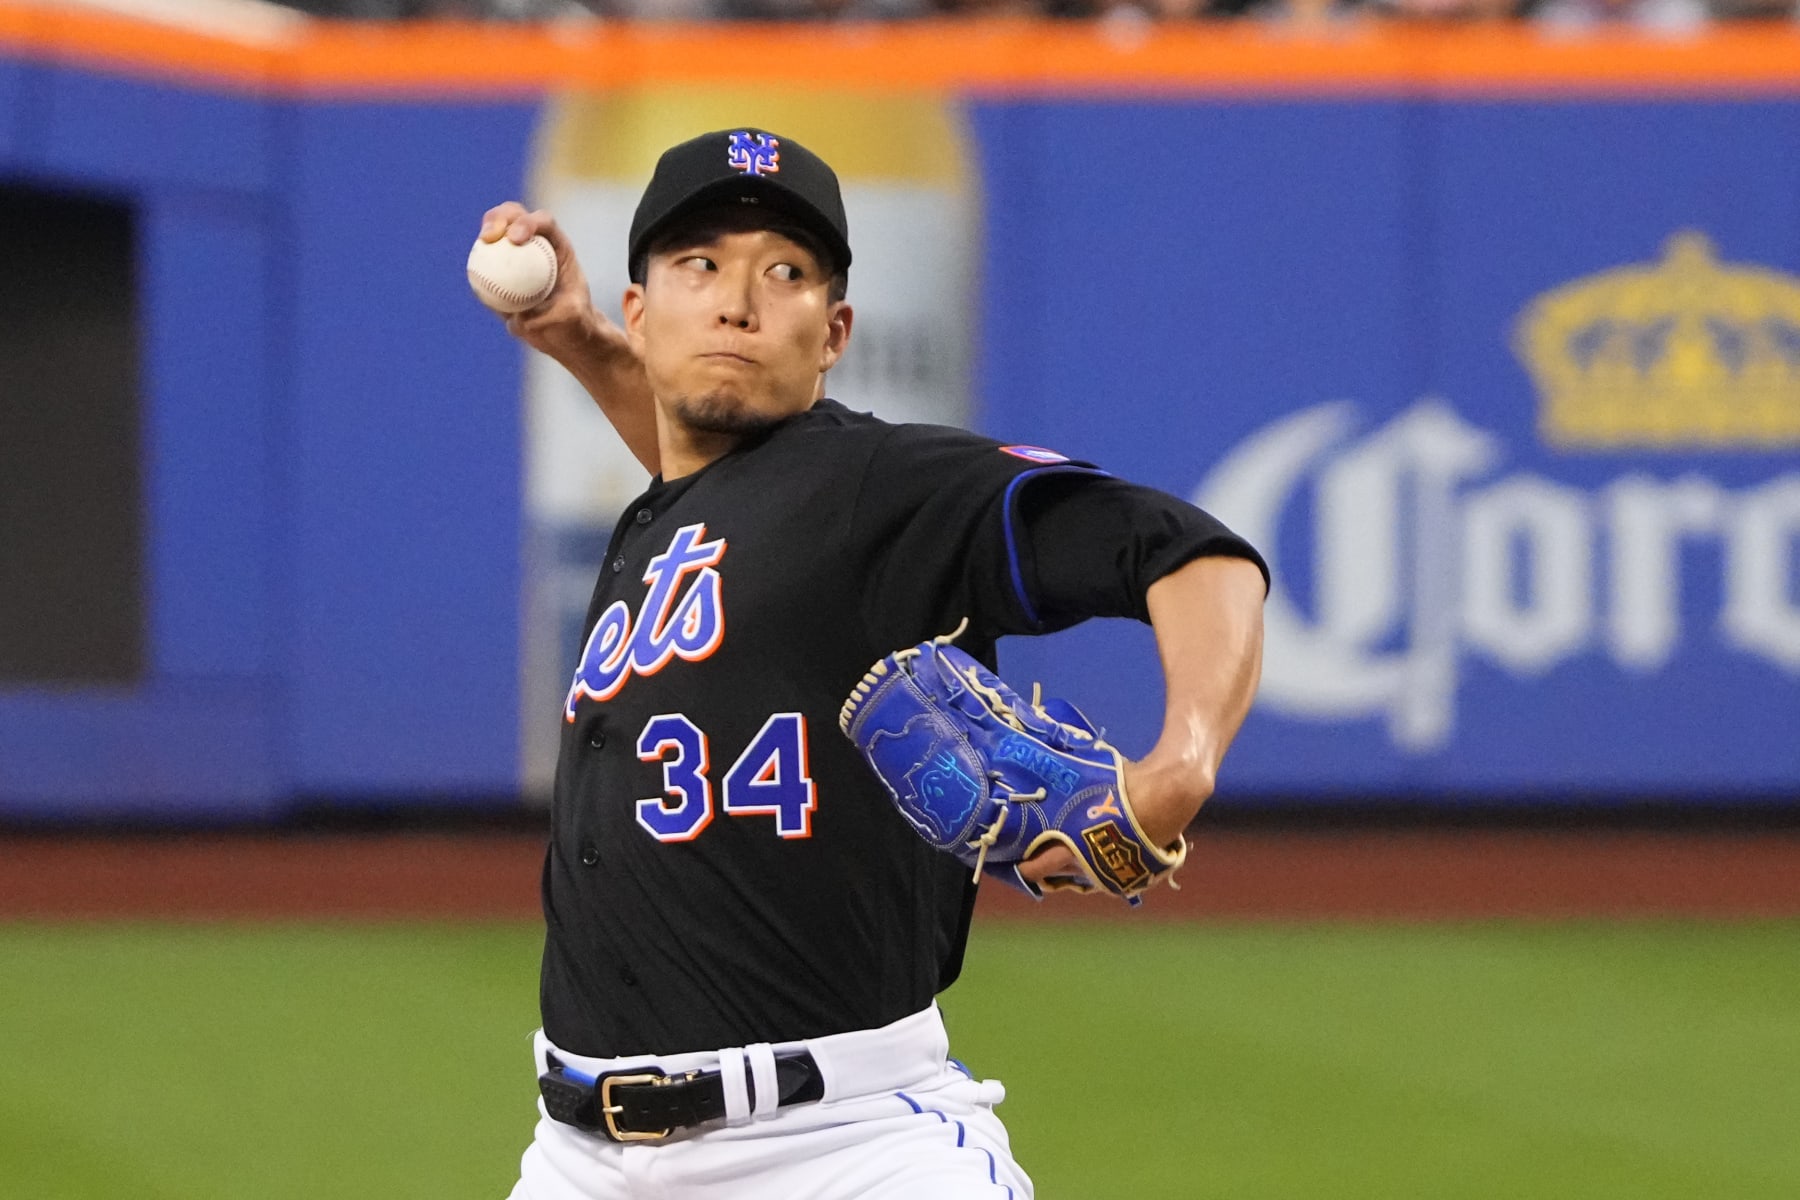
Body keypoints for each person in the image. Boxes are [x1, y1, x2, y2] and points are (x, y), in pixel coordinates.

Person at [478, 127, 1267, 1199]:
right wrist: (574, 341)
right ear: (640, 308)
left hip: (839, 1151)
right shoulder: (673, 518)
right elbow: (714, 478)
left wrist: (1181, 764)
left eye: (785, 273)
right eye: (698, 264)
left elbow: (1189, 554)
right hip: (578, 1160)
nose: (736, 301)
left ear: (834, 330)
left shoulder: (884, 489)